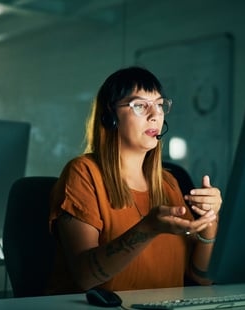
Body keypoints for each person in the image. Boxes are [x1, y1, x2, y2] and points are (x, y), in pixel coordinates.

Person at [46, 66, 222, 295]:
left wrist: (210, 221)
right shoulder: (83, 173)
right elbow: (85, 277)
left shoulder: (168, 183)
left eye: (159, 105)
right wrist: (148, 228)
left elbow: (201, 279)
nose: (155, 114)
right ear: (110, 117)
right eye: (140, 105)